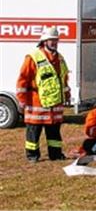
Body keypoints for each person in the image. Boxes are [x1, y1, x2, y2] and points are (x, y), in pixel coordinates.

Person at [17, 26, 70, 162]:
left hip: (55, 104)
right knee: (33, 132)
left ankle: (55, 155)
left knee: (54, 132)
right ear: (44, 41)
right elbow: (23, 80)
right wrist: (22, 100)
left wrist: (67, 95)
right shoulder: (33, 58)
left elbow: (64, 79)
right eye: (51, 40)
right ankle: (32, 156)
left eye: (56, 40)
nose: (54, 42)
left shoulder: (60, 58)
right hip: (36, 103)